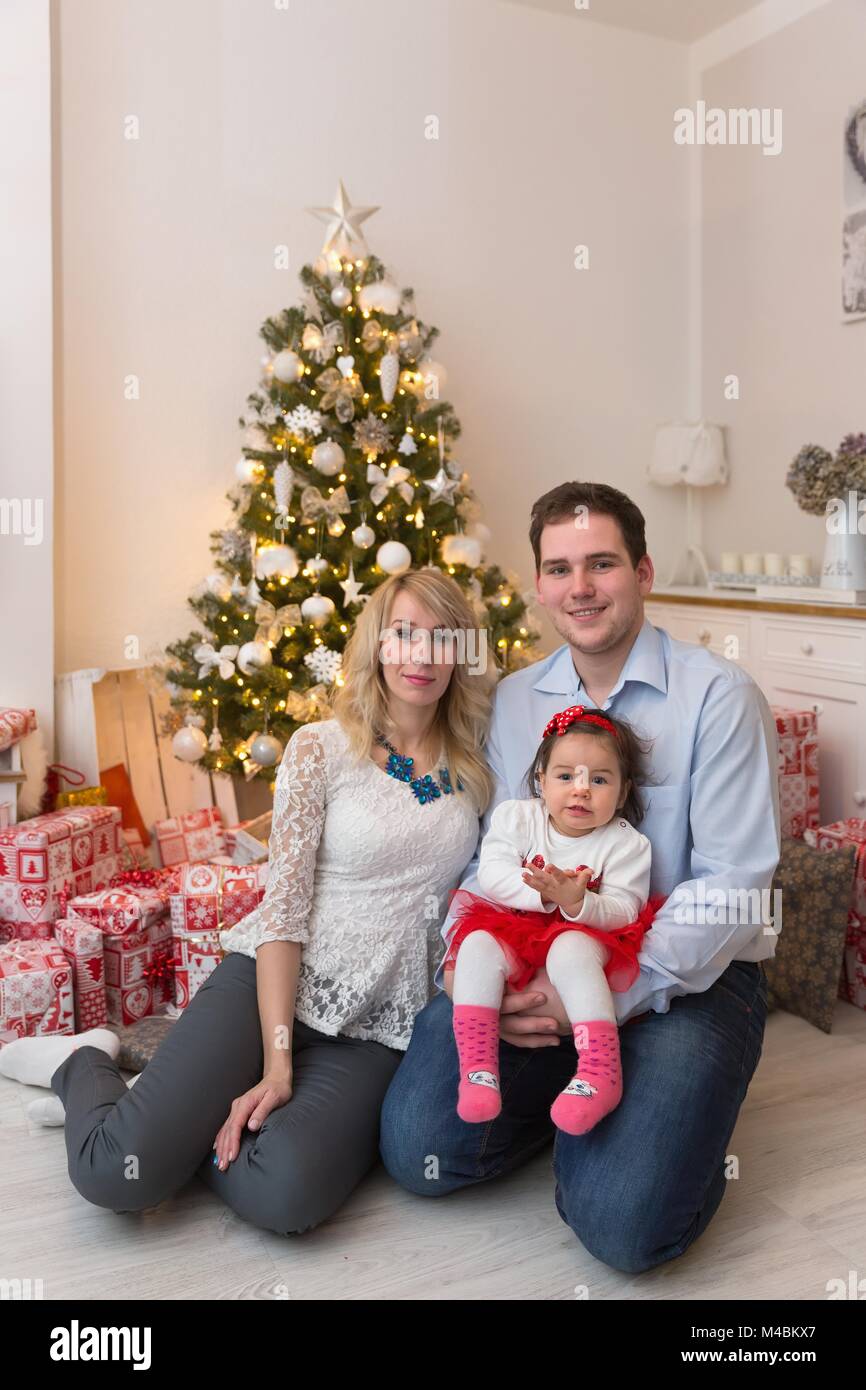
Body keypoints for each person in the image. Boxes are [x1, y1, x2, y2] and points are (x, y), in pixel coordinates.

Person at [1, 569, 496, 1236]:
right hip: (274, 983)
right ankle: (84, 1062)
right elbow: (284, 911)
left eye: (443, 638)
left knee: (286, 1194)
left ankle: (177, 1119)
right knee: (116, 1171)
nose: (421, 655)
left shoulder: (474, 764)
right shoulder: (321, 748)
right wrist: (278, 1060)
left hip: (382, 1024)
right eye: (404, 633)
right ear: (377, 644)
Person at [380, 480, 781, 1275]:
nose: (581, 587)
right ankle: (578, 1085)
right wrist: (470, 966)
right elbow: (485, 855)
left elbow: (735, 886)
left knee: (623, 1229)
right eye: (560, 569)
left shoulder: (718, 696)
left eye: (602, 564)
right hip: (535, 954)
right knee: (417, 1146)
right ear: (538, 585)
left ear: (643, 571)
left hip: (683, 975)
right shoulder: (517, 700)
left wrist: (610, 993)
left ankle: (634, 1137)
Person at [445, 705, 660, 1133]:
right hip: (517, 922)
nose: (581, 791)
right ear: (541, 781)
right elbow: (492, 874)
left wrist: (578, 904)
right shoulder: (517, 817)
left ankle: (599, 1072)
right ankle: (478, 1068)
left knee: (570, 948)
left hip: (587, 932)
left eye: (599, 780)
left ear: (621, 792)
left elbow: (624, 908)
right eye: (566, 777)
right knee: (478, 945)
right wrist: (544, 896)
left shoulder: (626, 844)